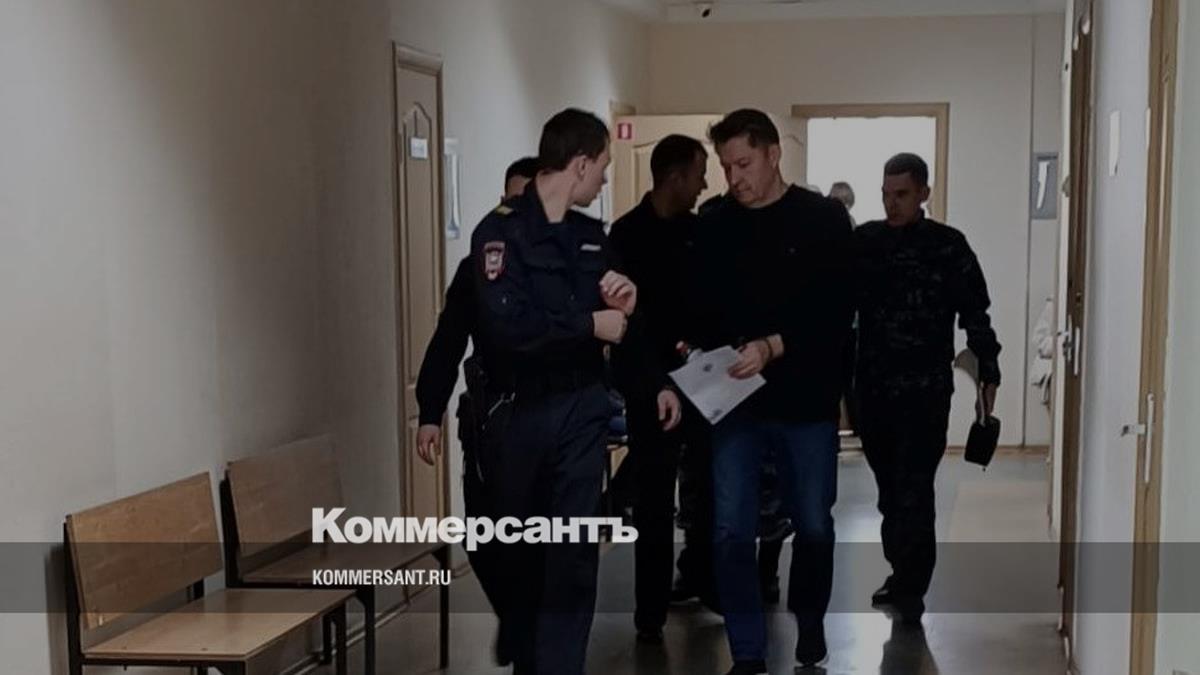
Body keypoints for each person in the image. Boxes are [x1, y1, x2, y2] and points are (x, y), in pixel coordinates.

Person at [469, 108, 681, 675]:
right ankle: (529, 659)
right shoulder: (500, 233)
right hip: (519, 412)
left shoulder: (591, 238)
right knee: (519, 551)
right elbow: (509, 329)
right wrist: (589, 324)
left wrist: (653, 376)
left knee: (574, 554)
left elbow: (624, 323)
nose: (605, 180)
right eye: (603, 167)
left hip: (581, 409)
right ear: (580, 164)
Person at [682, 109, 854, 673]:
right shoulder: (714, 224)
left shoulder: (822, 219)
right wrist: (692, 349)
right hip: (735, 401)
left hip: (806, 401)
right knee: (732, 530)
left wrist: (774, 345)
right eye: (726, 167)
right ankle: (747, 651)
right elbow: (698, 307)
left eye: (744, 164)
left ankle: (809, 622)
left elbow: (836, 310)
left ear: (774, 155)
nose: (734, 178)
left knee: (814, 524)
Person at [853, 153, 1001, 625]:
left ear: (923, 193)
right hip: (873, 389)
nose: (891, 204)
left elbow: (976, 314)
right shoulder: (866, 243)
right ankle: (901, 572)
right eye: (885, 195)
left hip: (925, 391)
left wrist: (988, 373)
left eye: (901, 195)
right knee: (889, 492)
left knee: (915, 488)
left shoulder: (947, 247)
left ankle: (913, 586)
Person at [413, 154, 542, 665]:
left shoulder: (562, 266)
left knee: (536, 545)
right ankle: (515, 619)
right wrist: (430, 411)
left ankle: (530, 642)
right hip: (491, 425)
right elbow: (449, 338)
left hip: (548, 426)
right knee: (482, 537)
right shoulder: (478, 268)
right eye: (509, 201)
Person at [607, 134, 709, 644]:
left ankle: (702, 578)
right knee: (653, 500)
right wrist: (653, 381)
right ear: (675, 176)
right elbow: (625, 322)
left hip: (702, 377)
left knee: (708, 486)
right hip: (649, 382)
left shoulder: (699, 231)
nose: (704, 185)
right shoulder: (626, 235)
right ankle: (650, 612)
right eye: (699, 174)